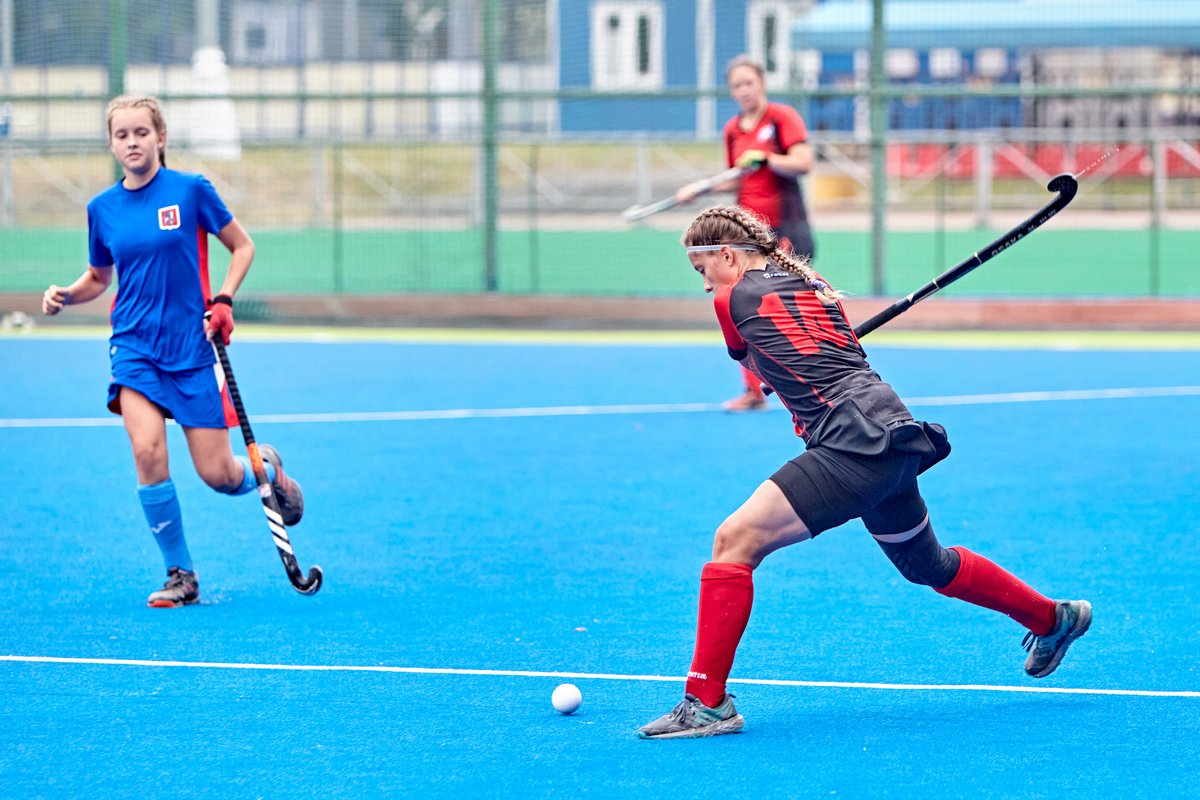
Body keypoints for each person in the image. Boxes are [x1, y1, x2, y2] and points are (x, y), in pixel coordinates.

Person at [636, 205, 1091, 740]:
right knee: (927, 564)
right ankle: (1052, 618)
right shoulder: (812, 284)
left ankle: (706, 702)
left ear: (728, 256)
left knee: (733, 542)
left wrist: (772, 377)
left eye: (703, 270)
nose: (705, 284)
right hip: (891, 431)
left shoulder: (729, 298)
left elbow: (751, 359)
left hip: (850, 444)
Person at [41, 95, 304, 608]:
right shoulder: (101, 209)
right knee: (146, 450)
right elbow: (99, 276)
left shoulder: (190, 190)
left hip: (191, 349)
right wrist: (67, 295)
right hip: (133, 347)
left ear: (160, 137)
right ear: (111, 144)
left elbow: (243, 246)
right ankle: (181, 574)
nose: (132, 142)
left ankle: (268, 469)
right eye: (122, 135)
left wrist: (224, 299)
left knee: (219, 475)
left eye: (141, 132)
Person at [675, 55, 816, 412]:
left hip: (783, 229)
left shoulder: (781, 118)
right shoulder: (733, 130)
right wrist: (701, 190)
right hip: (743, 235)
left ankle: (809, 378)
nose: (744, 90)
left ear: (761, 84)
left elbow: (803, 162)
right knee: (739, 303)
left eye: (749, 83)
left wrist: (767, 159)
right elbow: (736, 178)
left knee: (784, 306)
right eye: (737, 85)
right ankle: (755, 389)